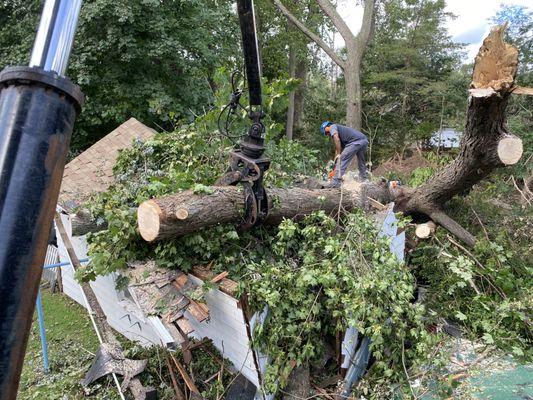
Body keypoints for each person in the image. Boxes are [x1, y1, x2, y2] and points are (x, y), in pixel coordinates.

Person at [321, 121, 368, 187]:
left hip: (355, 141)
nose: (328, 134)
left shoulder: (332, 127)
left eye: (326, 133)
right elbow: (339, 150)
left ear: (326, 128)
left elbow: (336, 139)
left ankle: (335, 182)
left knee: (342, 159)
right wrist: (334, 170)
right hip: (364, 140)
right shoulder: (342, 136)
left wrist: (339, 154)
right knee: (361, 161)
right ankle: (363, 179)